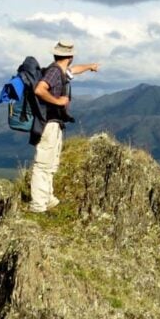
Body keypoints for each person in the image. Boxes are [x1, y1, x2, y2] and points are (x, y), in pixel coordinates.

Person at [28, 40, 100, 213]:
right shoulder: (54, 72)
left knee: (50, 164)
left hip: (54, 124)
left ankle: (48, 198)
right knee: (43, 165)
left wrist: (90, 66)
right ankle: (38, 205)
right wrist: (58, 101)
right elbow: (40, 89)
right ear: (70, 56)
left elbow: (73, 70)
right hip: (49, 124)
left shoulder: (60, 71)